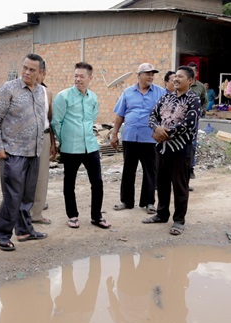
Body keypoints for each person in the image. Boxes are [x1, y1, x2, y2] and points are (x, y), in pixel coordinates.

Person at [0, 54, 48, 251]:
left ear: (40, 72)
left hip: (33, 151)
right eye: (25, 67)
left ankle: (24, 230)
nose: (27, 72)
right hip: (12, 152)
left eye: (32, 70)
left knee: (27, 196)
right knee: (12, 196)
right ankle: (1, 234)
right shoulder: (9, 89)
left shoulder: (41, 92)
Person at [52, 62, 111, 230]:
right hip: (70, 147)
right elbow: (57, 122)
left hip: (90, 146)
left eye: (82, 76)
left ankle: (96, 216)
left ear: (90, 78)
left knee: (97, 182)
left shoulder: (93, 97)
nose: (78, 79)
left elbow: (92, 117)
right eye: (76, 76)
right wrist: (63, 140)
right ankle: (72, 216)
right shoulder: (63, 97)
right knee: (69, 182)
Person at [143, 66, 201, 235]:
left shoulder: (193, 99)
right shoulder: (166, 97)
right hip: (162, 149)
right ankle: (161, 214)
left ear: (190, 81)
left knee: (180, 186)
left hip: (181, 149)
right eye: (175, 76)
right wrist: (156, 128)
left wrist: (164, 133)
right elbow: (152, 116)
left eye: (180, 77)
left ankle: (178, 221)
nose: (176, 79)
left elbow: (190, 124)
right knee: (161, 183)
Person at [110, 63, 166, 214]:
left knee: (150, 171)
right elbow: (120, 115)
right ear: (139, 75)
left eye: (152, 73)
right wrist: (114, 134)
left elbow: (166, 114)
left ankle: (148, 202)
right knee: (128, 170)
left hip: (150, 139)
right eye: (147, 73)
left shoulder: (160, 92)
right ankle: (126, 201)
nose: (151, 76)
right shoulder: (128, 92)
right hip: (130, 137)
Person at [32, 58, 57, 225]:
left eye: (36, 72)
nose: (32, 75)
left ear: (43, 74)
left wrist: (53, 144)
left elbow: (51, 119)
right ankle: (22, 212)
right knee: (24, 177)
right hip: (25, 140)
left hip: (44, 137)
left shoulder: (47, 93)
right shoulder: (17, 91)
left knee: (42, 177)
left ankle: (36, 214)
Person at [186, 62, 206, 182]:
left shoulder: (200, 87)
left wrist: (201, 112)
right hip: (181, 119)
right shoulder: (182, 84)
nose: (191, 74)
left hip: (194, 121)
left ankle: (190, 168)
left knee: (192, 144)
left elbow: (205, 101)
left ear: (197, 73)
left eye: (193, 71)